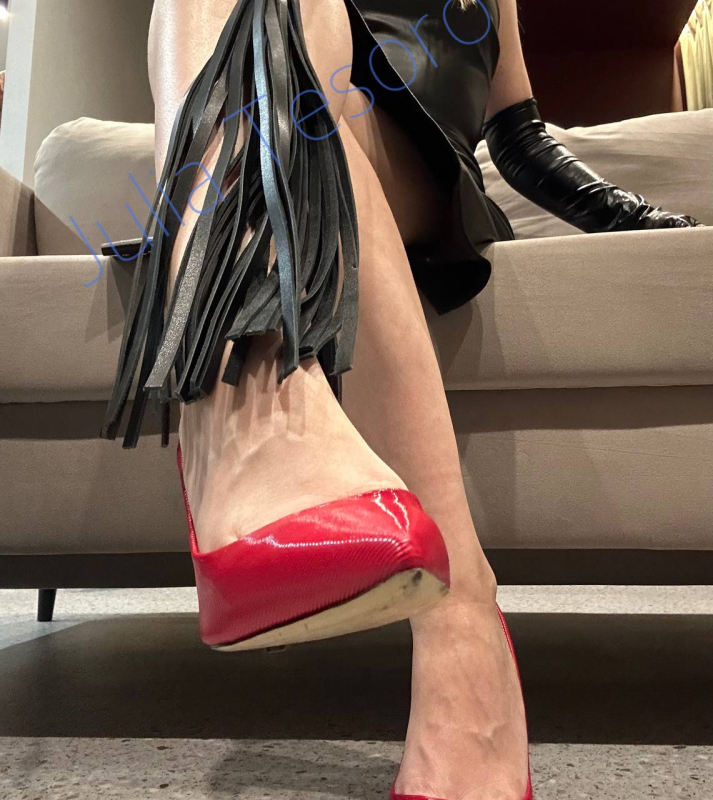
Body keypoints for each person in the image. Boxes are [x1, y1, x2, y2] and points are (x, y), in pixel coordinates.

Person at [102, 1, 701, 798]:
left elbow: (522, 142)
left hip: (411, 166)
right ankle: (451, 618)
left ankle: (237, 413)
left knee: (304, 89)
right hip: (283, 126)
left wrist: (639, 218)